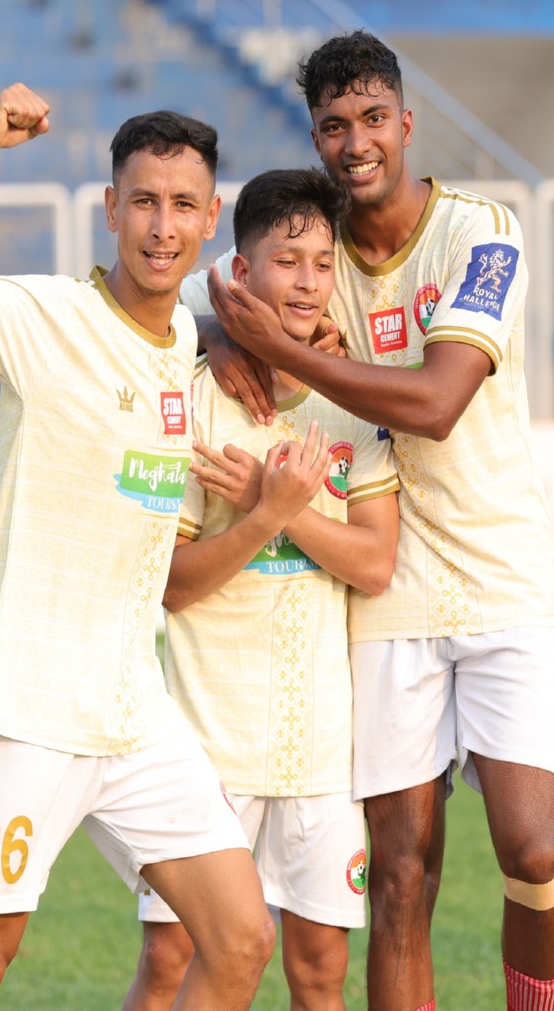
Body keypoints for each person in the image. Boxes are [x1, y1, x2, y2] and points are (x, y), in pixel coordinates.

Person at [186, 32, 554, 1011]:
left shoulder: (481, 234)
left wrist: (280, 348)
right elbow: (171, 297)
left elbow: (437, 401)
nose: (353, 141)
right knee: (400, 876)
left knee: (532, 849)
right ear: (315, 139)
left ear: (405, 124)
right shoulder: (305, 248)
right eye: (331, 126)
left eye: (369, 120)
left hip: (498, 576)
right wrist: (221, 326)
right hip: (382, 596)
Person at [0, 84, 275, 1011]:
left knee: (240, 939)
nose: (161, 224)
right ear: (110, 208)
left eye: (183, 205)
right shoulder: (47, 318)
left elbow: (188, 336)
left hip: (134, 710)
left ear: (210, 219)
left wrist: (252, 339)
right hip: (27, 708)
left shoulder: (186, 333)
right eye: (143, 200)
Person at [122, 168, 401, 1011]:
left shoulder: (356, 401)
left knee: (319, 977)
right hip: (205, 750)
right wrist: (260, 518)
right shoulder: (195, 404)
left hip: (318, 751)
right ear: (240, 275)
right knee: (172, 961)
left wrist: (276, 508)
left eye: (324, 261)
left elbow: (375, 564)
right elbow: (171, 587)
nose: (310, 280)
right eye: (288, 259)